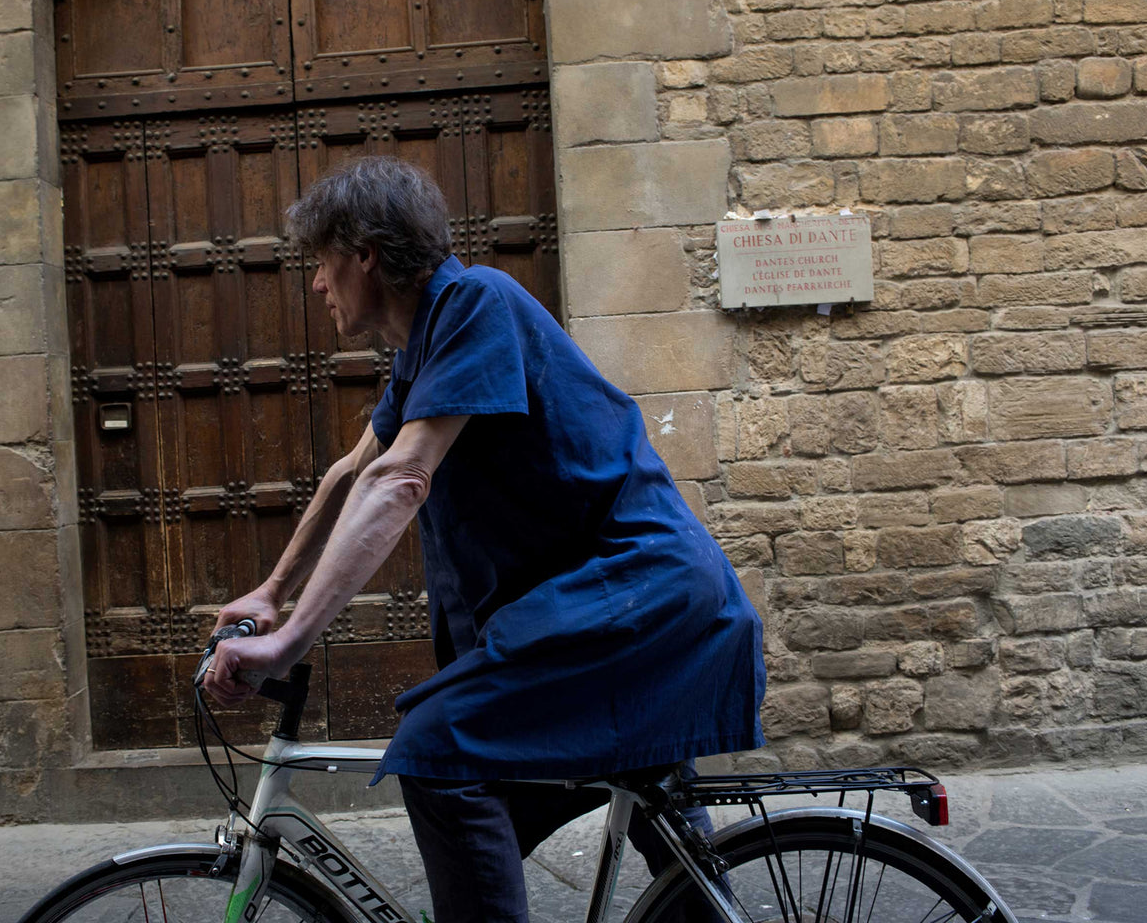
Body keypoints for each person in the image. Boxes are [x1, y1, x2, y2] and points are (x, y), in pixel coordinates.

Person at [202, 156, 766, 923]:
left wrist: (292, 640)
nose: (317, 284)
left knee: (438, 752)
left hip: (638, 594)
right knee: (570, 800)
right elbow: (350, 474)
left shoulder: (476, 302)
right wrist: (272, 594)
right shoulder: (423, 349)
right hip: (612, 607)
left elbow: (402, 478)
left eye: (324, 262)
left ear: (365, 253)